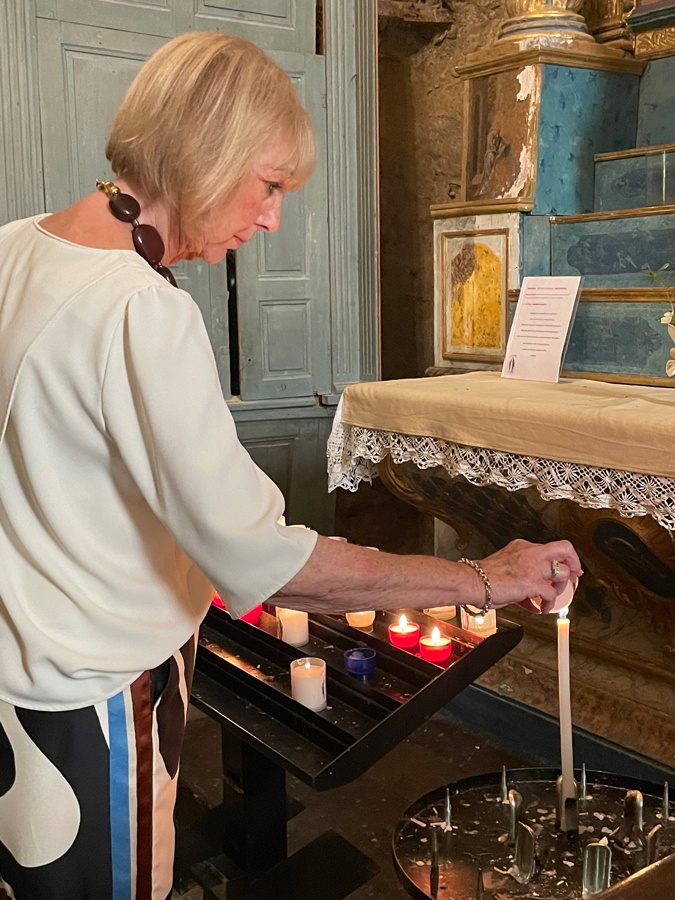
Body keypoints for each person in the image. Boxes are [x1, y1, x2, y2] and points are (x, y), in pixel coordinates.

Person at [0, 31, 582, 900]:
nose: (272, 218)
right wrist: (483, 578)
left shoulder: (16, 245)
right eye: (269, 185)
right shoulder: (136, 311)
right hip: (92, 698)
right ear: (209, 152)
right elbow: (270, 566)